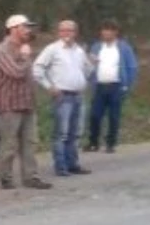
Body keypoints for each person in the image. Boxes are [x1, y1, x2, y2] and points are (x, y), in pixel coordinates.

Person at [0, 14, 52, 190]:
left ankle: (31, 176)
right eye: (25, 27)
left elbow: (28, 76)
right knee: (9, 144)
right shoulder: (2, 50)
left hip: (27, 103)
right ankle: (6, 177)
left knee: (30, 142)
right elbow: (16, 73)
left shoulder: (24, 47)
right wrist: (25, 57)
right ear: (13, 29)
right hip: (9, 104)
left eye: (29, 27)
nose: (28, 30)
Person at [32, 20, 93, 176]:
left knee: (75, 133)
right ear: (58, 33)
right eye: (63, 30)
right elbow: (37, 68)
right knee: (61, 133)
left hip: (78, 95)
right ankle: (61, 166)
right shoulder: (52, 49)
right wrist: (49, 86)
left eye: (70, 30)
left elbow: (87, 71)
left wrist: (91, 65)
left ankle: (73, 163)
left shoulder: (79, 51)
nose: (66, 33)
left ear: (75, 33)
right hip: (62, 96)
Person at [86, 20, 139, 153]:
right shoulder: (97, 47)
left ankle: (111, 143)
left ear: (115, 32)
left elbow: (132, 66)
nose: (106, 33)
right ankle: (93, 141)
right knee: (95, 115)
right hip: (100, 85)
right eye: (104, 30)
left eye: (109, 30)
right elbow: (89, 66)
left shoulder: (123, 48)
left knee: (114, 116)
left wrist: (127, 84)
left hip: (117, 86)